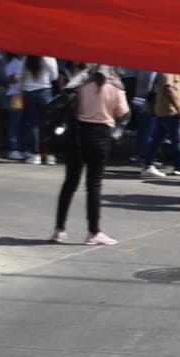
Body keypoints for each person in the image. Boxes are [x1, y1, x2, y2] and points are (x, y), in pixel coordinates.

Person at [53, 65, 128, 245]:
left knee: (70, 181)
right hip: (100, 134)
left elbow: (68, 100)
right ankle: (94, 232)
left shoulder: (81, 81)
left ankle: (59, 229)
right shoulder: (115, 85)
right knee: (93, 184)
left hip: (77, 133)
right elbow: (123, 112)